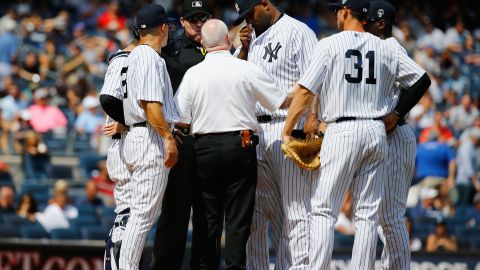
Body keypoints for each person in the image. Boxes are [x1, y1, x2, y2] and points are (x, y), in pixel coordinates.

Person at [281, 0, 431, 268]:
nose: (335, 13)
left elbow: (305, 91)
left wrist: (286, 132)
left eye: (337, 9)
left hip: (343, 129)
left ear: (346, 11)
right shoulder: (385, 48)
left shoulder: (329, 44)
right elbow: (421, 79)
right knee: (367, 216)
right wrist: (394, 114)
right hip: (375, 131)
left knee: (324, 210)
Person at [175, 19, 289, 270]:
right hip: (241, 145)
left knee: (208, 217)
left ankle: (205, 267)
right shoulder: (245, 69)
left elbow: (180, 119)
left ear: (203, 44)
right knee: (238, 218)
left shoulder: (193, 74)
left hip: (204, 146)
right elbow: (280, 102)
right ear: (228, 40)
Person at [233, 0, 318, 268]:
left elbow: (315, 81)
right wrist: (244, 49)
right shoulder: (251, 40)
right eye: (244, 16)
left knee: (295, 212)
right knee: (254, 215)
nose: (248, 20)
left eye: (251, 12)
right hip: (253, 132)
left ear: (266, 4)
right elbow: (234, 81)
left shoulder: (298, 31)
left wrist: (312, 120)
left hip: (286, 127)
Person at [151, 1, 211, 268]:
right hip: (182, 139)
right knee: (175, 213)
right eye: (193, 18)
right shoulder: (170, 49)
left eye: (203, 18)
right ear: (183, 21)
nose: (198, 23)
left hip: (211, 139)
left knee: (207, 215)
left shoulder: (220, 48)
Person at [365, 1, 424, 268]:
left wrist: (397, 113)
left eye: (368, 19)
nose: (363, 23)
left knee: (390, 217)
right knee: (380, 217)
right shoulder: (377, 48)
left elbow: (421, 80)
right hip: (384, 137)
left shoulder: (388, 46)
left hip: (396, 136)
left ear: (381, 23)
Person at [120, 4, 179, 269]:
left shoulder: (136, 54)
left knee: (141, 214)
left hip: (139, 135)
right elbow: (151, 104)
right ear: (164, 28)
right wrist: (167, 137)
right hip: (149, 136)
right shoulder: (148, 56)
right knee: (142, 215)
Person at [99, 23, 139, 269]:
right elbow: (108, 98)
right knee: (126, 215)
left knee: (132, 216)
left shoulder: (141, 59)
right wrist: (127, 123)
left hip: (130, 142)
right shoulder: (122, 59)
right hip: (122, 146)